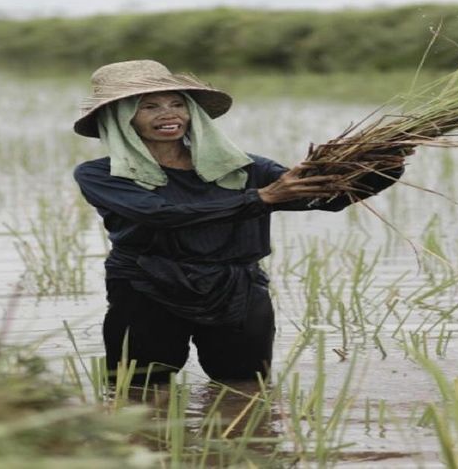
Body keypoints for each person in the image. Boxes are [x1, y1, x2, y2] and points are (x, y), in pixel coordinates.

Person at [73, 60, 402, 384]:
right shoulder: (101, 174)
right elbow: (161, 214)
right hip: (147, 286)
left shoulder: (246, 168)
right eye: (149, 107)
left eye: (177, 104)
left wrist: (383, 166)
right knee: (140, 389)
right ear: (119, 119)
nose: (168, 113)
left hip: (237, 289)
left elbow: (323, 199)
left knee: (246, 389)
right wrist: (261, 198)